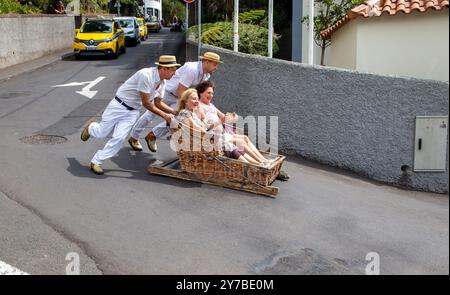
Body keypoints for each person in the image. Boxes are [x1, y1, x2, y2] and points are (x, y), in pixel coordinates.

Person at [80, 55, 180, 175]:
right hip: (118, 105)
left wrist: (174, 112)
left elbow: (158, 102)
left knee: (119, 138)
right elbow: (147, 103)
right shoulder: (146, 76)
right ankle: (91, 128)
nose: (175, 73)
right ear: (164, 68)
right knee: (101, 133)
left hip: (132, 112)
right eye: (173, 70)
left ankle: (96, 161)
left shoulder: (162, 83)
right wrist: (165, 115)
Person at [128, 52, 223, 153]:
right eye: (215, 64)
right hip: (167, 92)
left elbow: (193, 92)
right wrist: (189, 106)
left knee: (178, 119)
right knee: (150, 115)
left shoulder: (206, 75)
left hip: (177, 96)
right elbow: (180, 90)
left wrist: (195, 105)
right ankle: (134, 137)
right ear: (207, 62)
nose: (216, 67)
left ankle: (152, 135)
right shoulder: (192, 69)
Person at [195, 81, 267, 164]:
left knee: (245, 138)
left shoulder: (211, 105)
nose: (211, 95)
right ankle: (259, 163)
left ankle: (262, 159)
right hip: (214, 136)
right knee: (241, 142)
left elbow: (223, 116)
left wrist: (233, 118)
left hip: (222, 133)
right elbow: (206, 126)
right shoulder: (199, 107)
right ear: (200, 93)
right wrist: (220, 121)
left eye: (212, 93)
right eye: (208, 93)